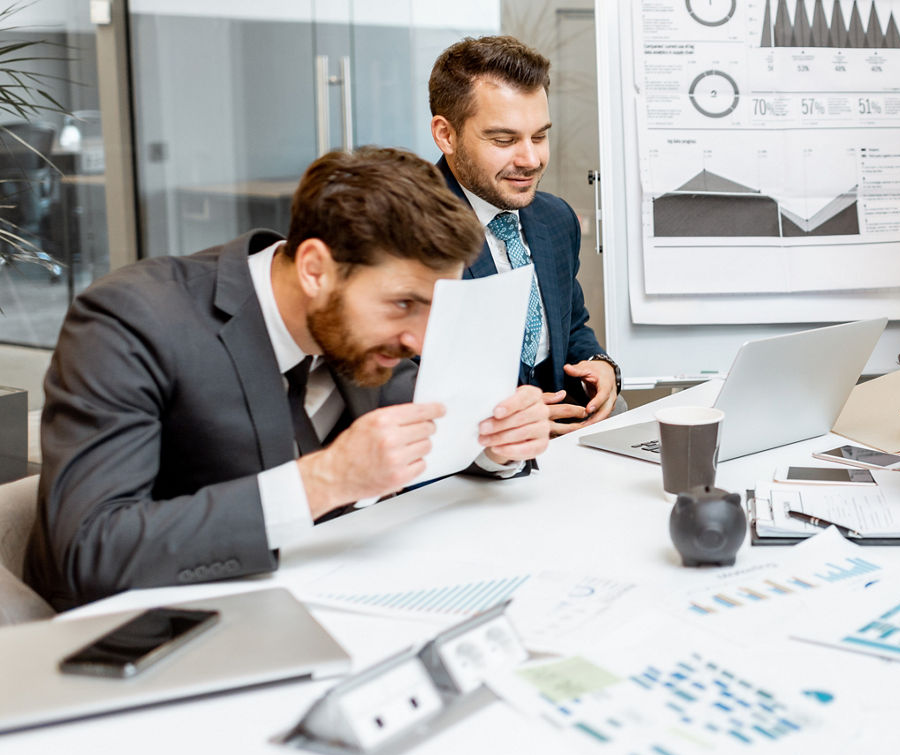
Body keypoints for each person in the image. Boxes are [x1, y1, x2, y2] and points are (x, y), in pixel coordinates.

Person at [26, 147, 551, 610]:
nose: (419, 340)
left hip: (343, 601)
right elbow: (87, 551)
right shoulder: (132, 320)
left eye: (434, 309)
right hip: (174, 640)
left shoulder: (364, 331)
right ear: (316, 269)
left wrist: (493, 441)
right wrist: (325, 481)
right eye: (403, 304)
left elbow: (428, 424)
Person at [429, 35, 620, 436]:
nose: (530, 160)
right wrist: (505, 421)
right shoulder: (408, 230)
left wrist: (599, 363)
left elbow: (570, 328)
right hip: (469, 459)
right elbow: (397, 380)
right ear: (446, 135)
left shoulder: (555, 218)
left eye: (539, 136)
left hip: (561, 446)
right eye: (503, 140)